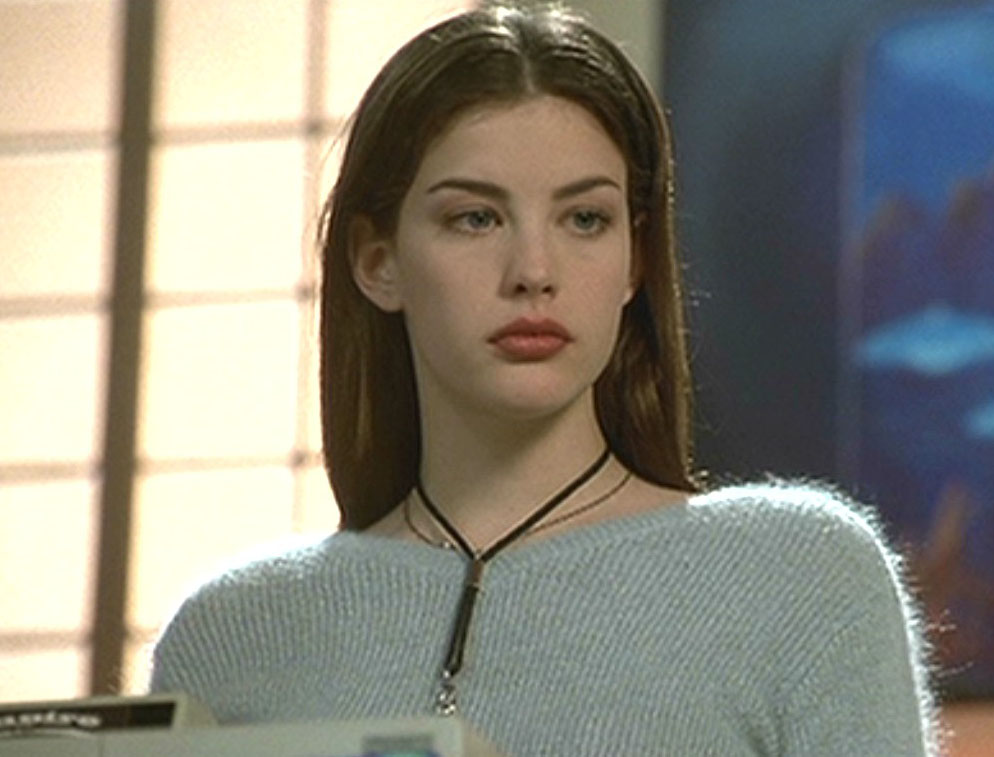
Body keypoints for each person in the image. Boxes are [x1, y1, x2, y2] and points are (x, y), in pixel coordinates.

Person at [149, 3, 939, 754]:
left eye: (585, 219)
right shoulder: (234, 632)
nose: (533, 270)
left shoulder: (798, 574)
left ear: (635, 262)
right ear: (377, 260)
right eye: (475, 217)